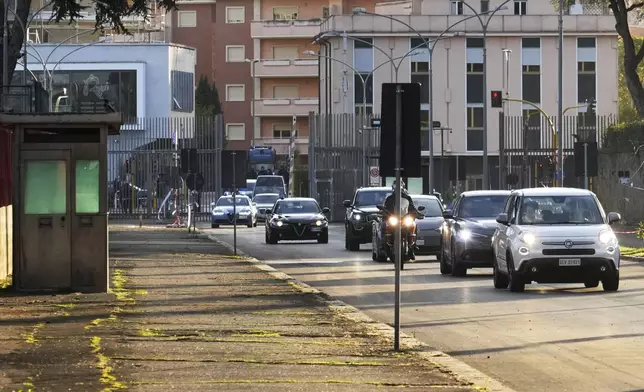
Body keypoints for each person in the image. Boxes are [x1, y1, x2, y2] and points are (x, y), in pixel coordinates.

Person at [380, 180, 419, 260]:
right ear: (393, 188)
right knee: (383, 226)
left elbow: (412, 208)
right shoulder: (389, 198)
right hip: (392, 218)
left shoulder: (407, 198)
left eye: (400, 188)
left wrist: (415, 213)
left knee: (414, 225)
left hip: (404, 218)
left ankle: (413, 247)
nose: (398, 190)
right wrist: (384, 213)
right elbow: (385, 209)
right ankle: (384, 245)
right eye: (396, 188)